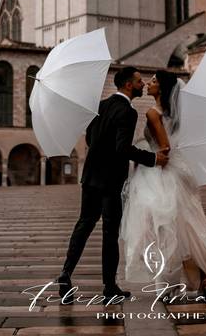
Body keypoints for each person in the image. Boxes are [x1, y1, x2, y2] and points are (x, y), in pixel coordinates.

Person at [56, 67, 169, 304]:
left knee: (84, 225)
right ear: (128, 85)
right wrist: (152, 159)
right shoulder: (127, 112)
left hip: (90, 176)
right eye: (139, 81)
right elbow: (122, 148)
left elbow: (89, 138)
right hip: (110, 181)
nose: (142, 84)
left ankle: (66, 273)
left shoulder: (100, 106)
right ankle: (109, 286)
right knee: (110, 232)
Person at [120, 70, 206, 299]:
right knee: (185, 227)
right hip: (178, 172)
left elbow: (165, 147)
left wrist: (148, 154)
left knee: (162, 230)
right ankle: (202, 279)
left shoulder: (153, 114)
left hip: (161, 173)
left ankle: (168, 286)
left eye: (153, 82)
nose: (148, 84)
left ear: (162, 88)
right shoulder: (175, 114)